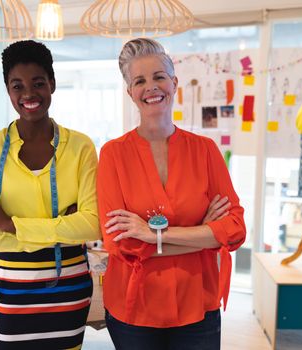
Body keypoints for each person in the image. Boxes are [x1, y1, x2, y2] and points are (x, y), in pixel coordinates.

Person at [97, 38, 246, 350]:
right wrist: (203, 235)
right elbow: (121, 245)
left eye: (158, 77)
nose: (151, 87)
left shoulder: (205, 151)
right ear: (130, 92)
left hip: (197, 305)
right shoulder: (113, 154)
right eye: (139, 80)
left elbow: (234, 230)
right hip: (133, 308)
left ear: (174, 82)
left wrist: (152, 235)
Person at [0, 40, 100, 350]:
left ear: (51, 84)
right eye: (17, 85)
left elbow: (92, 225)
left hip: (70, 286)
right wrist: (63, 228)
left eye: (38, 83)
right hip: (13, 287)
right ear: (8, 90)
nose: (28, 94)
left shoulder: (80, 147)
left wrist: (8, 223)